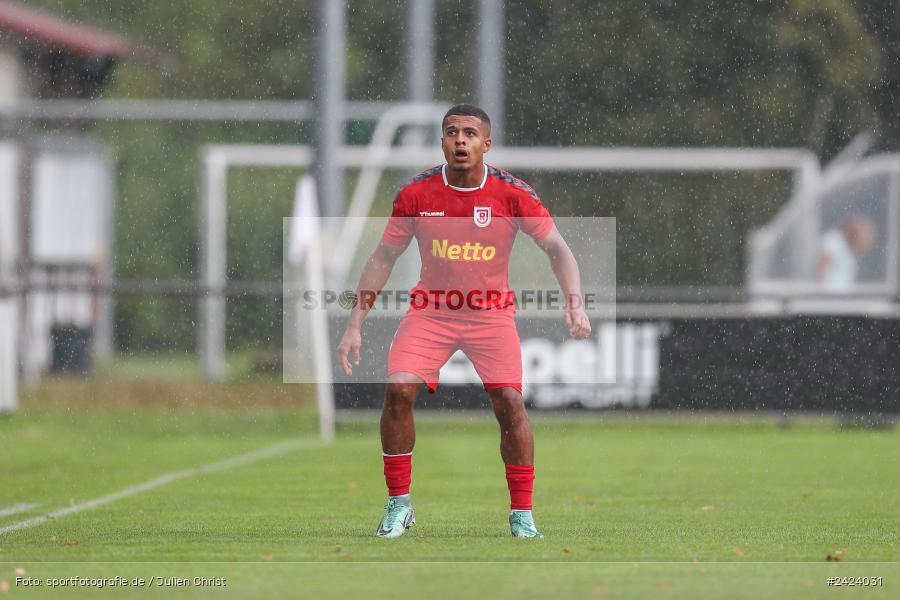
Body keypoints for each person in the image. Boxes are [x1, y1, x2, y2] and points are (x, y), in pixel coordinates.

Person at [337, 104, 591, 539]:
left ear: (485, 145)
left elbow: (557, 249)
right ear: (442, 142)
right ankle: (399, 504)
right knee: (397, 391)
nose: (460, 140)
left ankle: (522, 515)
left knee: (510, 402)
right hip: (431, 312)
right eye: (452, 132)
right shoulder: (416, 194)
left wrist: (575, 302)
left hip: (490, 315)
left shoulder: (513, 194)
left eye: (470, 133)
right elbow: (383, 258)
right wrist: (355, 323)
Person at [816, 214, 877, 291]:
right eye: (863, 241)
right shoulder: (834, 240)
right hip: (828, 296)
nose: (863, 247)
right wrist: (822, 292)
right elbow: (821, 266)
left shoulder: (849, 251)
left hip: (840, 297)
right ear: (855, 235)